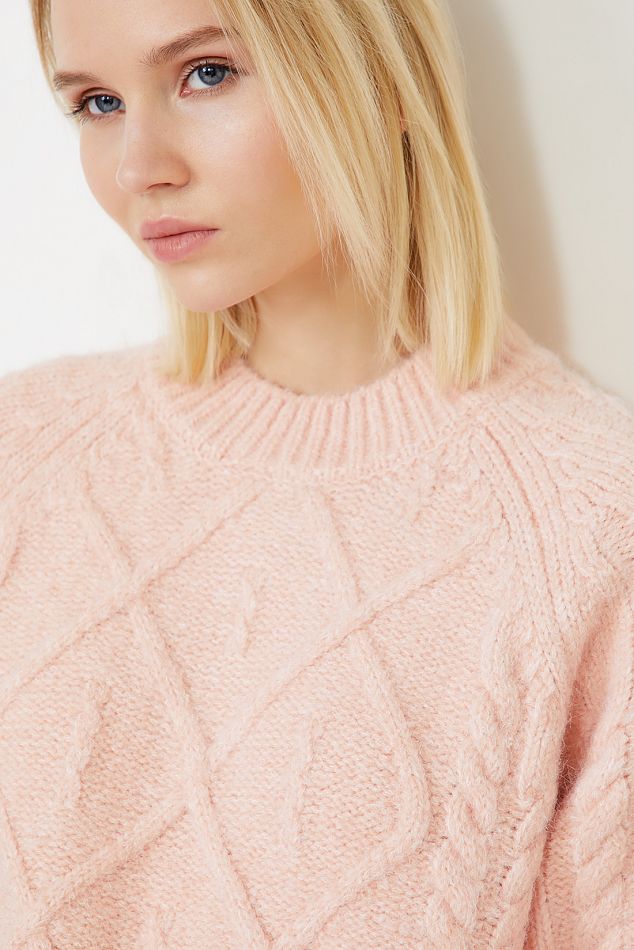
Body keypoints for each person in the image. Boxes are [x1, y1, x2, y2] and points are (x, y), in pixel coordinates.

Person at [1, 0, 632, 947]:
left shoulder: (585, 522)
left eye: (207, 73)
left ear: (383, 79)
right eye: (97, 103)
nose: (138, 167)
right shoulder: (25, 456)